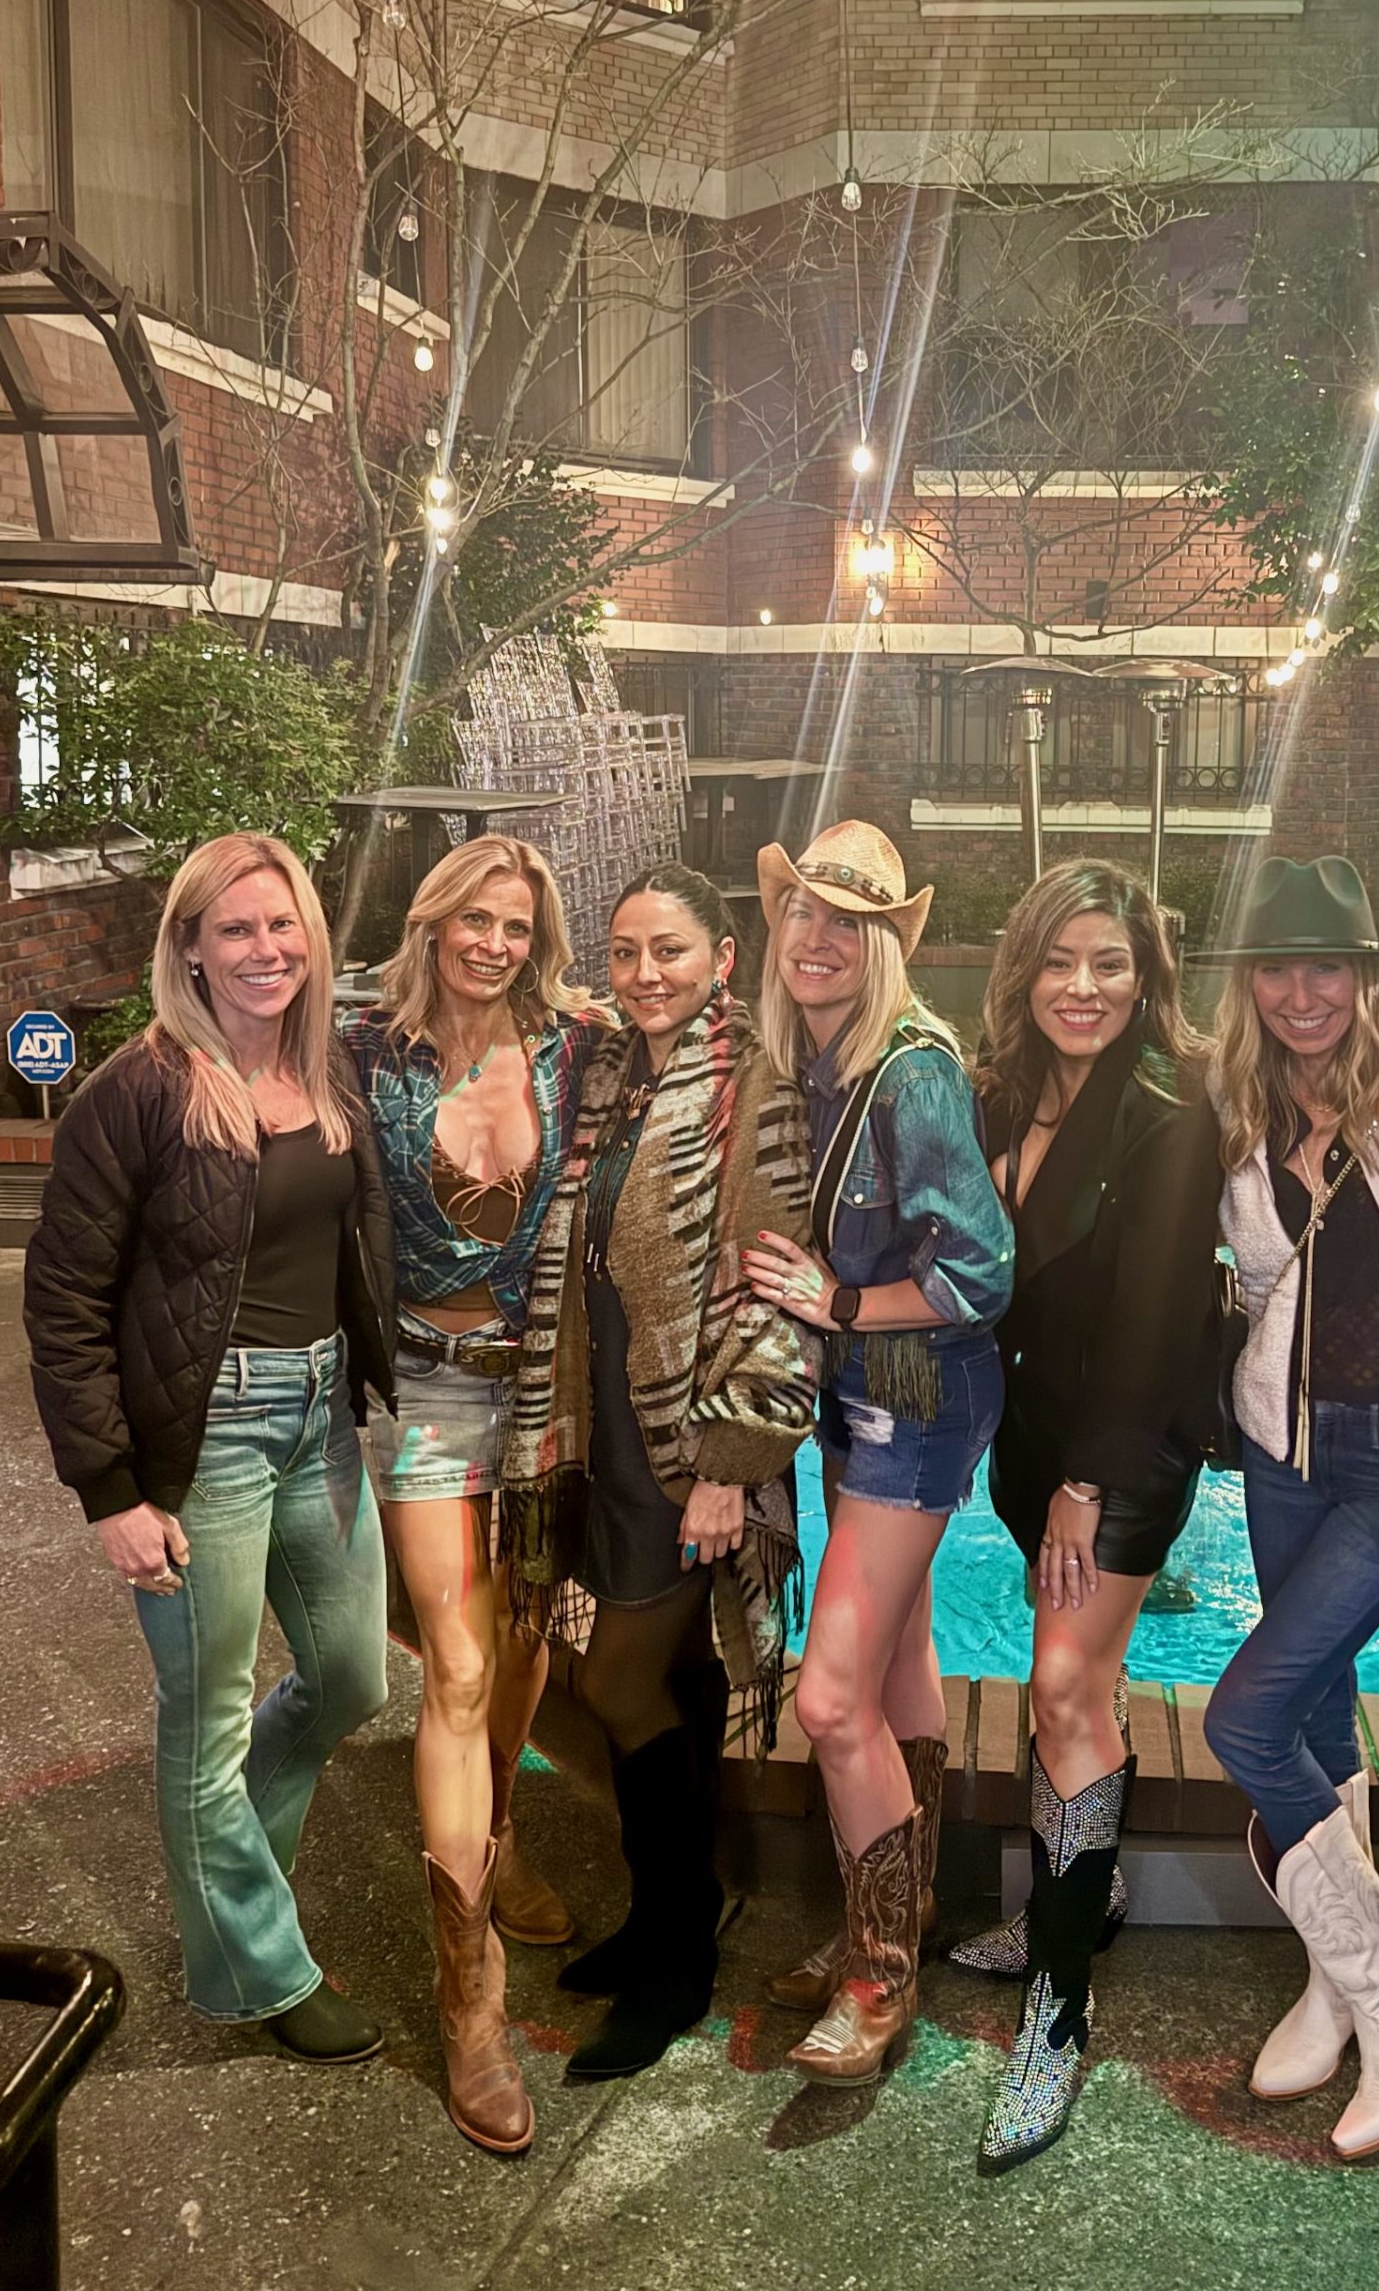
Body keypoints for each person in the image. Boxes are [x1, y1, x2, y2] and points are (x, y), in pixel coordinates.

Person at [24, 834, 397, 2062]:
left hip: (320, 1415)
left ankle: (236, 1874)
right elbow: (64, 1298)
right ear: (188, 946)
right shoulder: (137, 1091)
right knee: (208, 1715)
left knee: (352, 1676)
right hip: (207, 1436)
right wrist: (110, 1491)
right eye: (234, 929)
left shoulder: (325, 1068)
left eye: (282, 925)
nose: (264, 949)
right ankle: (254, 1967)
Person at [498, 864, 818, 2084]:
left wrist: (735, 1461)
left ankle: (679, 1955)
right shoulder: (610, 1076)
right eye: (625, 952)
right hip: (610, 1436)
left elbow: (778, 1285)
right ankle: (669, 1913)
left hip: (695, 1450)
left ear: (722, 958)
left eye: (669, 950)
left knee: (621, 1677)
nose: (644, 974)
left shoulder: (756, 1087)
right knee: (664, 1679)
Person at [1198, 854, 1379, 2159]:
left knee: (1245, 1717)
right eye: (1276, 967)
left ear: (1368, 975)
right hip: (1284, 1447)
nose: (1300, 992)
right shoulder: (1244, 1102)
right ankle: (1331, 1979)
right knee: (1315, 1717)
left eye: (1327, 965)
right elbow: (1262, 1288)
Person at [943, 858, 1223, 2171]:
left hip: (1117, 1453)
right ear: (1025, 969)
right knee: (1081, 1686)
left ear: (1144, 975)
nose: (1083, 986)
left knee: (1059, 1690)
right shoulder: (1000, 1091)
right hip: (1029, 1446)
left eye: (1110, 963)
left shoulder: (1167, 1111)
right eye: (1060, 961)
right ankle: (1085, 1893)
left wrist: (1083, 1485)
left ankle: (1057, 2009)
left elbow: (1157, 1322)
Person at [741, 821, 1012, 2088]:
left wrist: (838, 1303)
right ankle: (894, 1911)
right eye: (802, 911)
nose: (817, 937)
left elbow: (981, 1273)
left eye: (847, 922)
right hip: (860, 1400)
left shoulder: (910, 1074)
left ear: (885, 945)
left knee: (828, 1697)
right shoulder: (812, 1062)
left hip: (915, 1397)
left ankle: (879, 1970)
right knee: (899, 1660)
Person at [341, 834, 594, 2155]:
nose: (494, 943)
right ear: (432, 921)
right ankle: (470, 1990)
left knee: (526, 1645)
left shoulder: (572, 1050)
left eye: (516, 925)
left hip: (545, 1382)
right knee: (454, 1661)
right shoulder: (367, 1051)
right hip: (428, 1387)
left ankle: (496, 1831)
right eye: (475, 919)